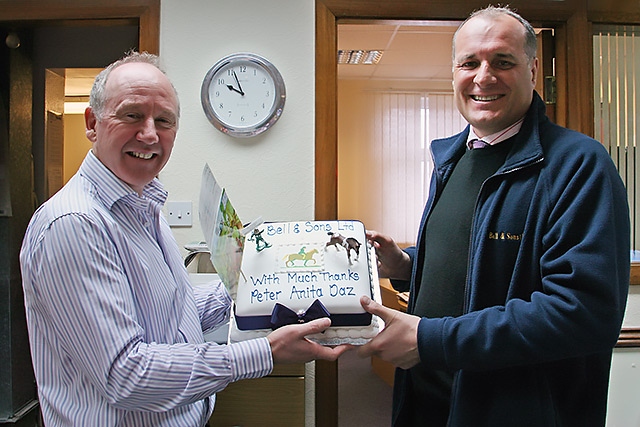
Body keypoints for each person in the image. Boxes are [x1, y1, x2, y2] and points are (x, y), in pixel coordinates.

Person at [19, 52, 349, 426]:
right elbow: (127, 375)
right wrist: (265, 352)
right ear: (93, 123)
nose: (149, 134)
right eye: (132, 115)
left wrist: (258, 283)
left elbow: (172, 310)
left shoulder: (144, 203)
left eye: (164, 121)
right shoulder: (74, 224)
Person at [358, 5, 630, 427]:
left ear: (533, 69)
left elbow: (583, 312)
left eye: (502, 61)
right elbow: (479, 263)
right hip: (428, 405)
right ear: (454, 72)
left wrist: (431, 340)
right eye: (470, 62)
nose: (483, 76)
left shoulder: (578, 166)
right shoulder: (452, 158)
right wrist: (407, 265)